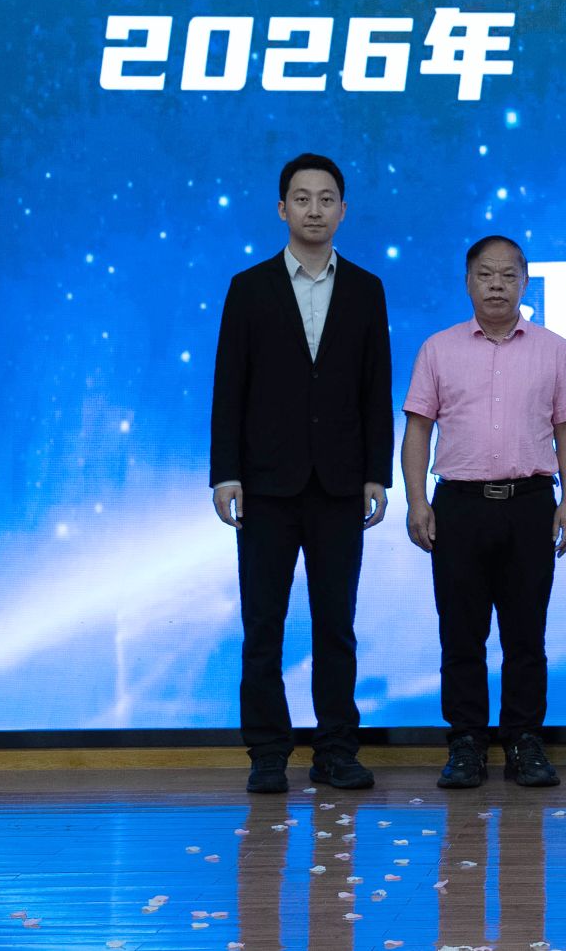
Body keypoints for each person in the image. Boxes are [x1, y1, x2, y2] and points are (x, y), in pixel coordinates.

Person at [209, 152, 393, 795]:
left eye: (326, 199)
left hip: (340, 484)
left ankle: (336, 749)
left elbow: (375, 388)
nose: (315, 210)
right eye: (302, 198)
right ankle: (267, 751)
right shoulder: (249, 287)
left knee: (335, 624)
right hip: (265, 484)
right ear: (282, 208)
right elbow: (229, 386)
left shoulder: (366, 288)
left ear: (343, 210)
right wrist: (225, 473)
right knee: (263, 623)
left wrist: (377, 473)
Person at [402, 235, 566, 790]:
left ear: (525, 282)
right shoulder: (438, 349)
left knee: (526, 633)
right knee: (461, 633)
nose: (497, 285)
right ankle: (466, 742)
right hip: (459, 506)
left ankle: (524, 740)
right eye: (485, 275)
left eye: (508, 275)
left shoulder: (555, 350)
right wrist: (416, 500)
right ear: (468, 282)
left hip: (530, 505)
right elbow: (418, 429)